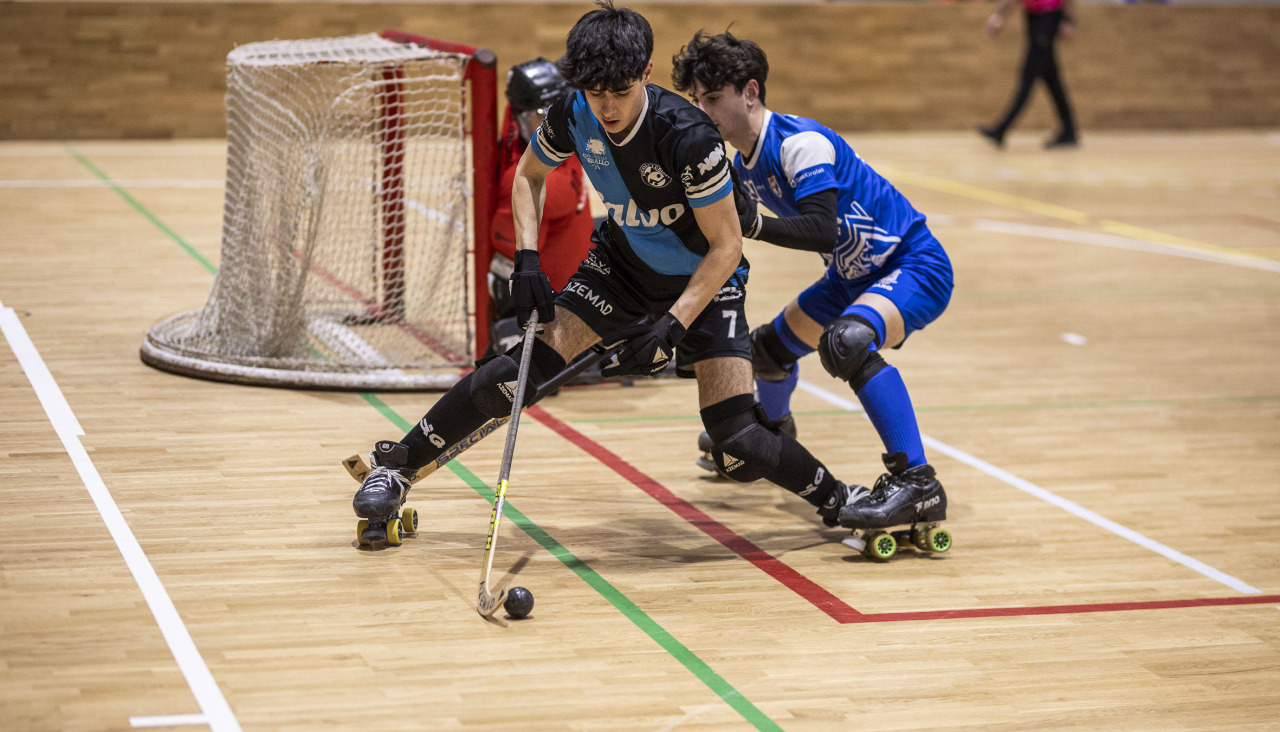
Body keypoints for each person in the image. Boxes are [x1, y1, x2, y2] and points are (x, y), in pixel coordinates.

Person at [351, 1, 867, 544]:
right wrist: (527, 258)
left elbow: (726, 245)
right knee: (519, 370)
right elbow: (528, 178)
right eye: (597, 93)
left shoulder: (687, 136)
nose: (608, 107)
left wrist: (671, 326)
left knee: (736, 439)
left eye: (621, 91)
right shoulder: (573, 110)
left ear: (646, 74)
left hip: (705, 284)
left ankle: (839, 498)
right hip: (620, 267)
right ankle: (399, 465)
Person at [671, 31, 952, 534]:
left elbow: (821, 228)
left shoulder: (801, 144)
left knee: (847, 343)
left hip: (912, 264)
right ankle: (773, 434)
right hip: (849, 276)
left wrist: (753, 223)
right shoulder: (741, 163)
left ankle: (918, 481)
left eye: (713, 99)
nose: (704, 112)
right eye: (697, 101)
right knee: (766, 353)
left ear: (750, 92)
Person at [486, 57, 594, 355]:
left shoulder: (546, 138)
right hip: (567, 295)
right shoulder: (540, 175)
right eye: (540, 113)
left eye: (554, 109)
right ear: (522, 117)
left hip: (578, 271)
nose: (551, 119)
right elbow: (511, 273)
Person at [977, 0, 1079, 149]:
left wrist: (1069, 20)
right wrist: (999, 16)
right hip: (1033, 17)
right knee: (1051, 77)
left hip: (1048, 16)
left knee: (1029, 76)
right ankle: (1069, 130)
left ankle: (1002, 128)